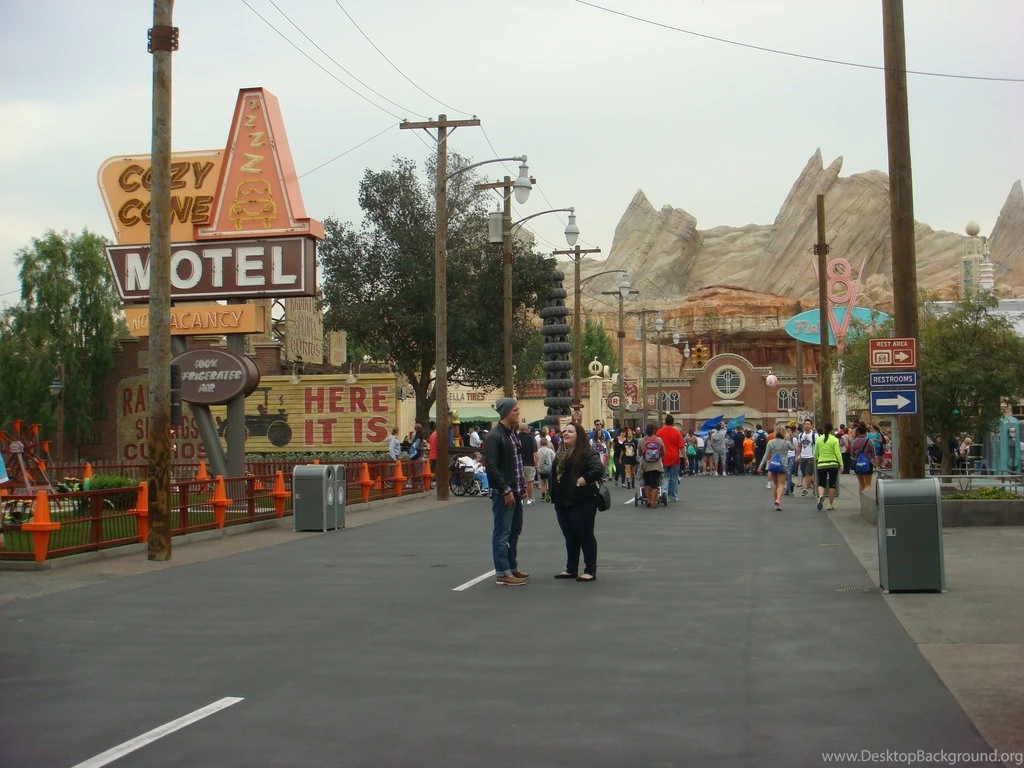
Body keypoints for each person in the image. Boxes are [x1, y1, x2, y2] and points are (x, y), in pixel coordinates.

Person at [550, 421, 605, 582]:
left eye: (570, 431)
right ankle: (571, 568)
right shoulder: (561, 452)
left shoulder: (587, 452)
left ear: (578, 435)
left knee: (585, 535)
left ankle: (589, 570)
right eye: (565, 431)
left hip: (582, 500)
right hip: (562, 500)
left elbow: (598, 469)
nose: (566, 434)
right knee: (569, 536)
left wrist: (584, 479)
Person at [484, 398, 530, 586]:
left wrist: (522, 487)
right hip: (504, 491)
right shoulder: (495, 436)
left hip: (515, 489)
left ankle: (511, 567)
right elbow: (491, 467)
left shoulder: (512, 434)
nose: (518, 413)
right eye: (515, 410)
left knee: (515, 530)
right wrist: (505, 489)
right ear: (505, 413)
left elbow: (517, 464)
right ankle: (503, 572)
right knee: (502, 532)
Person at [758, 423, 794, 510]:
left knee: (775, 484)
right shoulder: (786, 442)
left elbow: (766, 455)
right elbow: (793, 448)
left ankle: (776, 503)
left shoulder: (770, 442)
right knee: (781, 484)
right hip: (783, 465)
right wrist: (790, 439)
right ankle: (778, 500)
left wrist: (760, 466)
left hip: (773, 465)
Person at [814, 422, 843, 511]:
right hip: (833, 464)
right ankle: (830, 504)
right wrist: (841, 464)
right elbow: (838, 453)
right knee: (832, 484)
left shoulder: (819, 439)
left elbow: (816, 452)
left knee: (821, 483)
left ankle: (821, 496)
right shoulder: (834, 439)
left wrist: (817, 460)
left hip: (821, 463)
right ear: (831, 429)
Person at [655, 414, 684, 501]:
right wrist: (685, 458)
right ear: (673, 422)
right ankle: (672, 496)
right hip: (674, 458)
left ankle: (663, 491)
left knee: (664, 476)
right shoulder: (677, 432)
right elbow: (681, 447)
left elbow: (656, 445)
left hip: (663, 457)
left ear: (665, 422)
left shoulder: (659, 432)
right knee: (674, 477)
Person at [638, 424, 666, 508]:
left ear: (646, 431)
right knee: (655, 484)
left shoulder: (641, 441)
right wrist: (659, 456)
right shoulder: (659, 440)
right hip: (656, 465)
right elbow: (663, 452)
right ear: (654, 431)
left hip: (645, 465)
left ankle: (648, 500)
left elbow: (639, 453)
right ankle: (653, 501)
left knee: (647, 483)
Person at [518, 423, 539, 504]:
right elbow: (535, 452)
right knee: (529, 482)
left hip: (518, 464)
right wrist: (537, 463)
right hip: (529, 463)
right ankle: (530, 499)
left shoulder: (516, 437)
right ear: (527, 429)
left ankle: (520, 499)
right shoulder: (531, 439)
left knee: (519, 482)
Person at [851, 423, 876, 493]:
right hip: (868, 462)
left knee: (861, 483)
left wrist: (856, 456)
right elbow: (873, 453)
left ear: (858, 432)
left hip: (858, 463)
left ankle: (861, 497)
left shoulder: (854, 441)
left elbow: (852, 454)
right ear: (865, 432)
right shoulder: (869, 441)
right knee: (868, 484)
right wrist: (874, 461)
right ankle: (866, 497)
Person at [797, 419, 817, 495]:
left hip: (811, 457)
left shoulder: (814, 435)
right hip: (803, 457)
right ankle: (816, 486)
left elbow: (817, 446)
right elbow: (799, 446)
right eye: (805, 424)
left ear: (811, 426)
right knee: (805, 473)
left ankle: (806, 488)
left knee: (808, 473)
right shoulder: (800, 435)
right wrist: (798, 456)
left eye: (808, 424)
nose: (806, 425)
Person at [537, 437, 556, 502]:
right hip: (549, 468)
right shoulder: (550, 451)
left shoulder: (538, 451)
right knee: (549, 482)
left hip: (541, 468)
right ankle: (548, 494)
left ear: (540, 443)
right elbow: (554, 458)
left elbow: (536, 459)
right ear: (547, 443)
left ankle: (543, 495)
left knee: (543, 482)